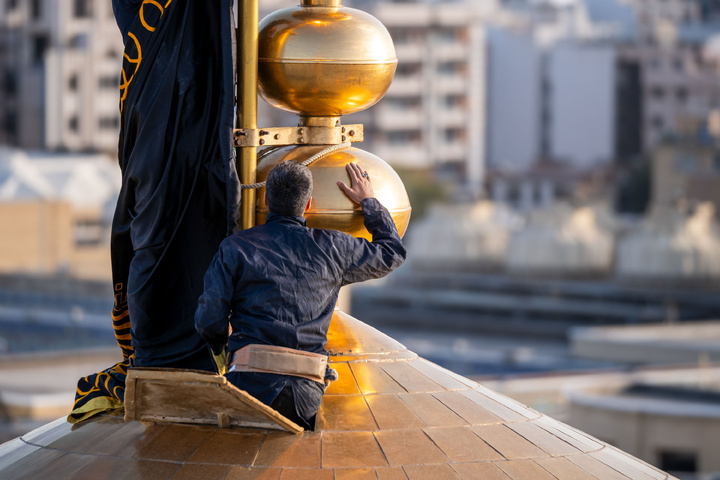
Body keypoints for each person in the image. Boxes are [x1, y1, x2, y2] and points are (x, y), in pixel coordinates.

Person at [194, 161, 406, 429]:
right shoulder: (335, 247)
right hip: (306, 393)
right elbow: (392, 253)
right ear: (308, 205)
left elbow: (208, 320)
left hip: (248, 385)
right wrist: (369, 201)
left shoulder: (236, 247)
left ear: (265, 199)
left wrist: (223, 350)